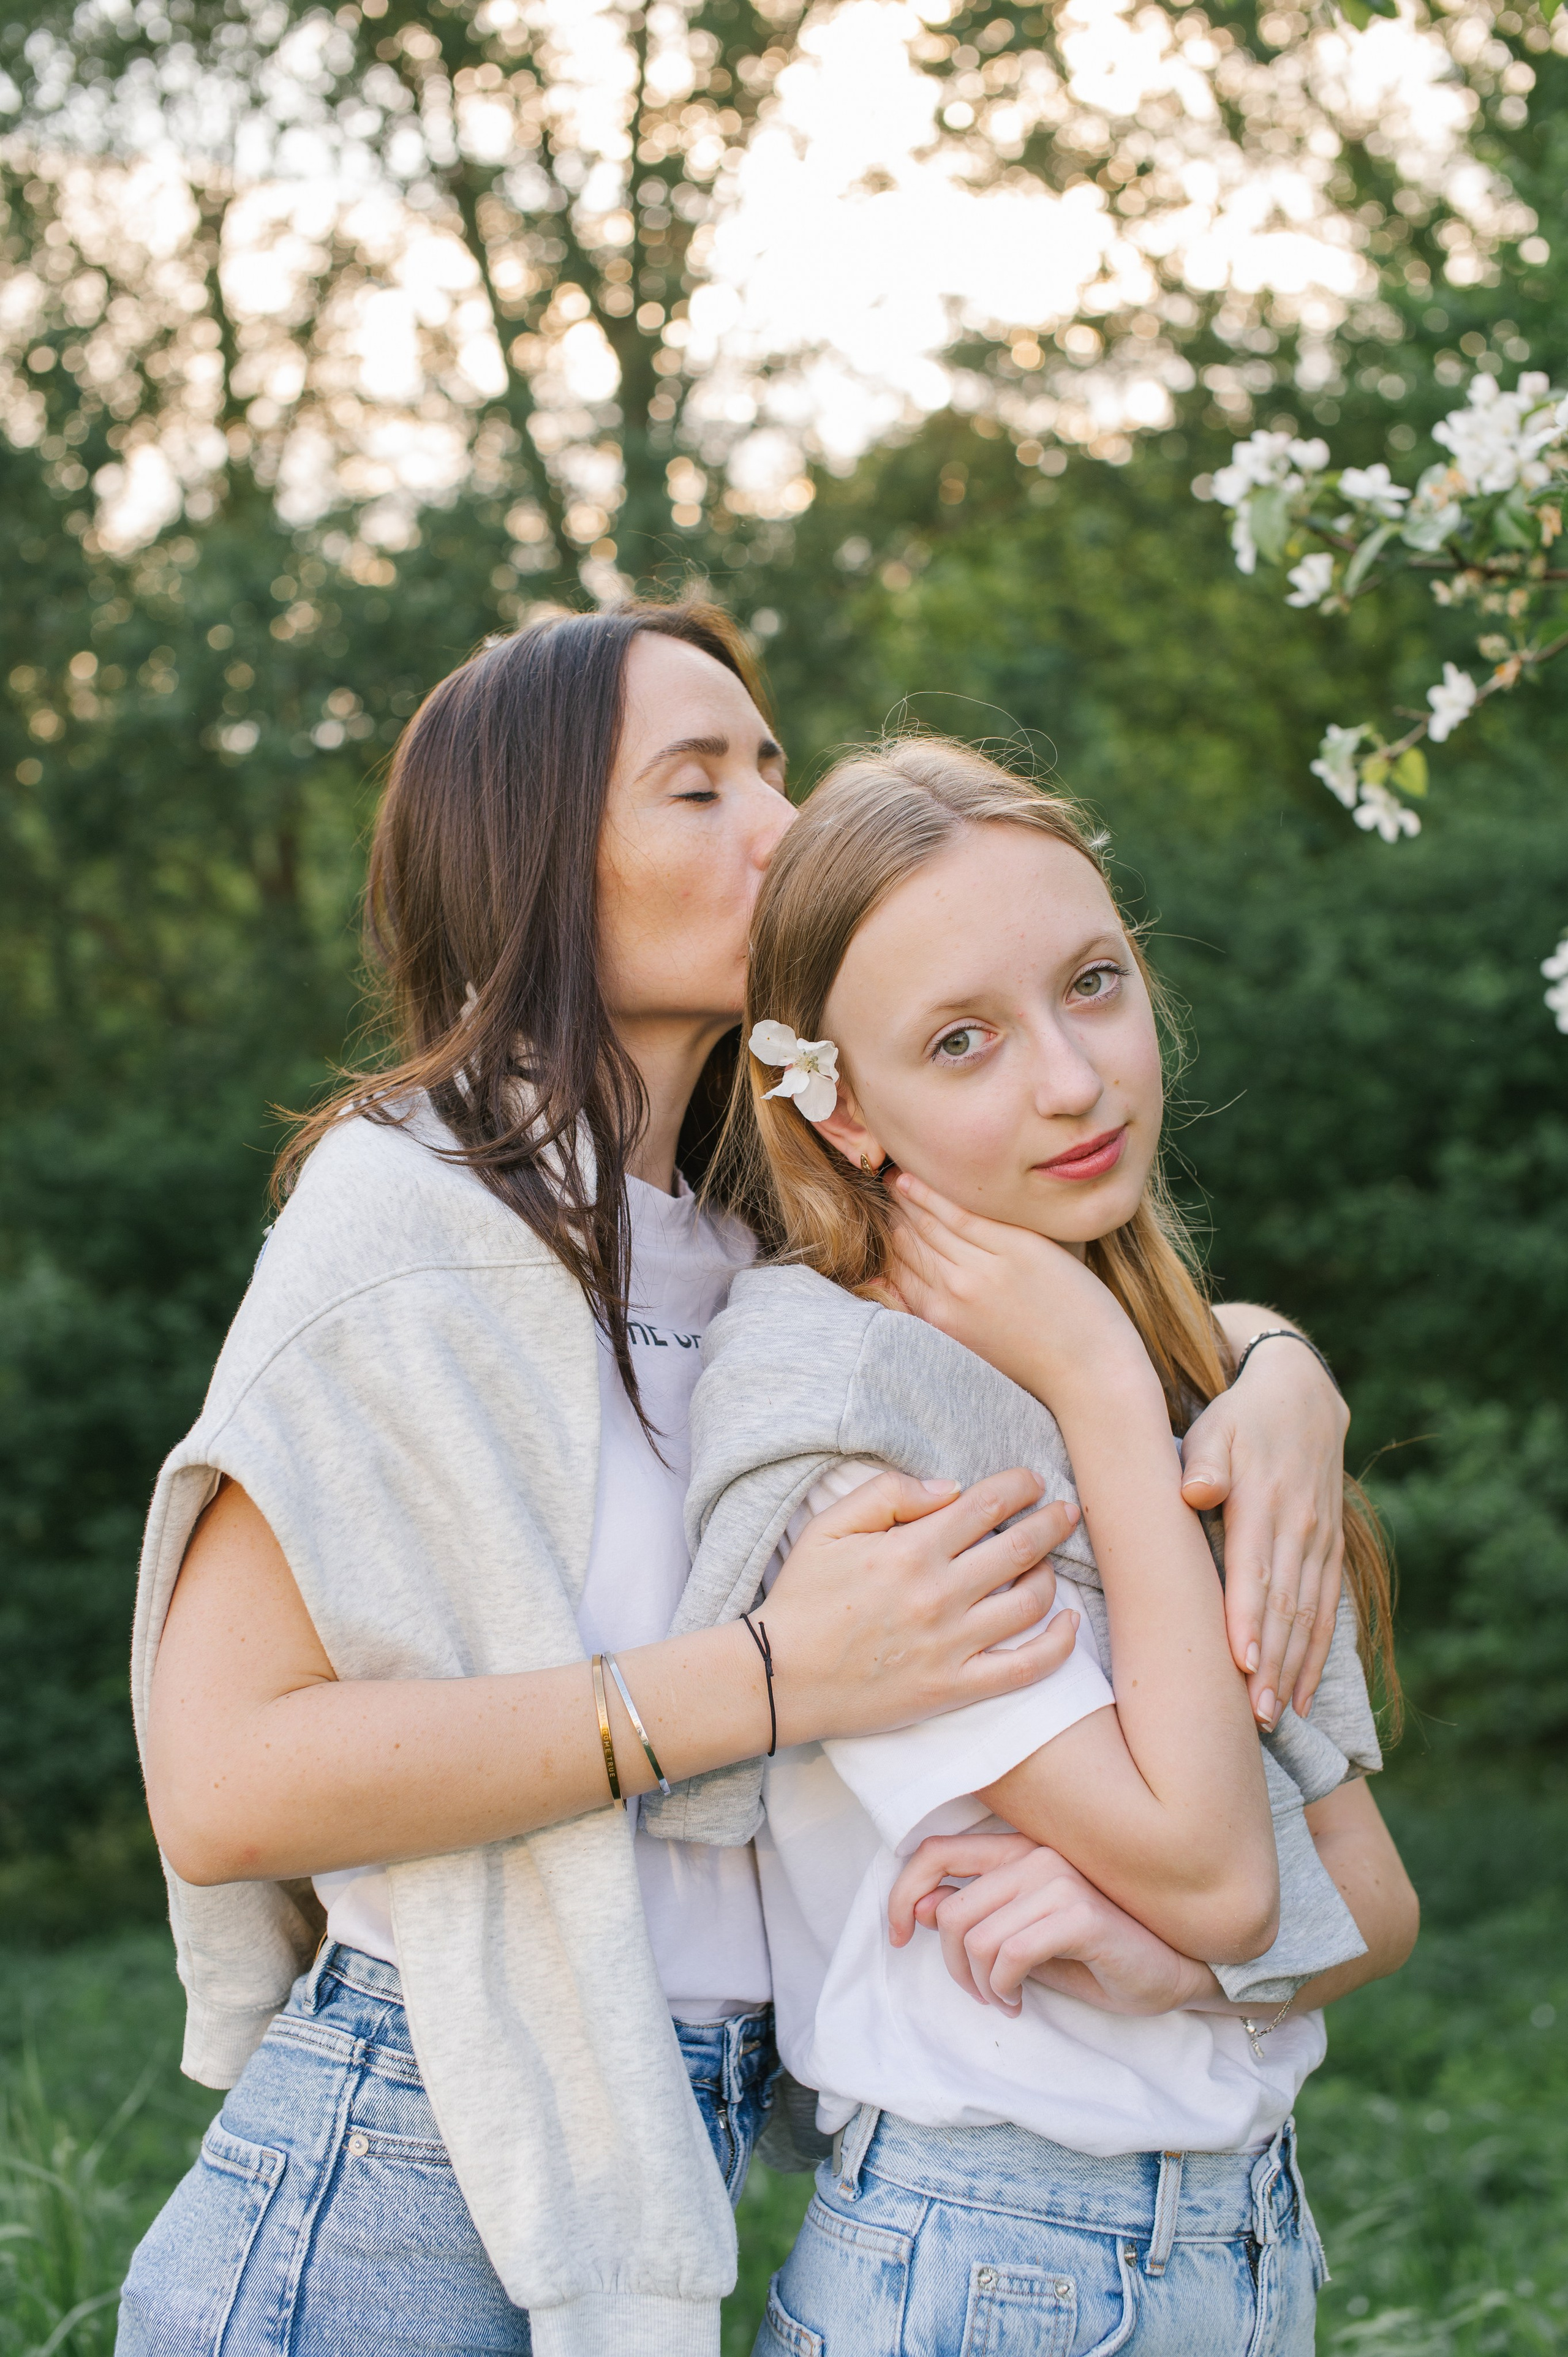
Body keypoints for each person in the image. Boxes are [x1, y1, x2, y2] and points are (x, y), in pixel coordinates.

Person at [118, 607, 1359, 2357]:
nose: (778, 823)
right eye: (697, 789)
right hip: (406, 2145)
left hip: (652, 2128)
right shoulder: (409, 1218)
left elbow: (1066, 1312)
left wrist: (1280, 1377)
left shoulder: (735, 1239)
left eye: (771, 763)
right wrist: (772, 1682)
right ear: (537, 863)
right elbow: (226, 1783)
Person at [661, 734, 1418, 2355]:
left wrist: (1187, 1970)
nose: (1073, 1079)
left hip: (1240, 2240)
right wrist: (1095, 1390)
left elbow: (1374, 1894)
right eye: (964, 1041)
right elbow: (1229, 1873)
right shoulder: (853, 1437)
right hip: (994, 2261)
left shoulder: (1166, 1367)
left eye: (1093, 983)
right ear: (845, 1109)